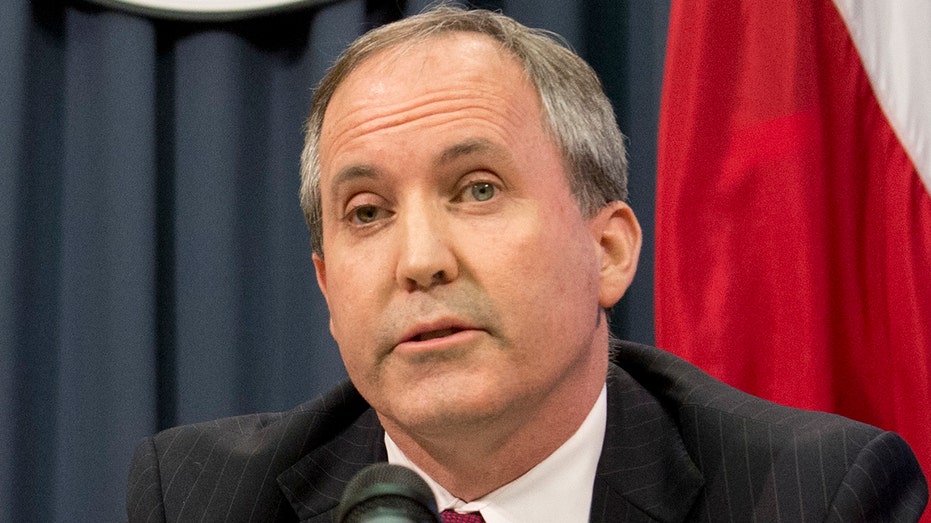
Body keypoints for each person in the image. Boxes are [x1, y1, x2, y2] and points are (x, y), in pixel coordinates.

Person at [126, 5, 928, 522]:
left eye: (476, 189)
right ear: (329, 288)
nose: (419, 261)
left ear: (606, 250)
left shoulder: (812, 496)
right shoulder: (205, 498)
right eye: (366, 212)